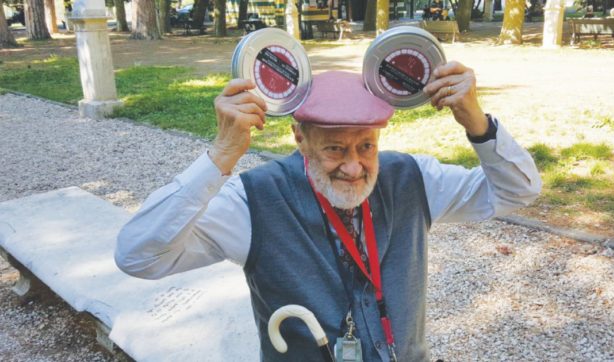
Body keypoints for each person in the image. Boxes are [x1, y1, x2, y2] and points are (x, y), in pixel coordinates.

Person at [115, 63, 542, 360]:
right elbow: (138, 256)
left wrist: (477, 124)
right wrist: (221, 156)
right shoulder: (253, 200)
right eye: (335, 148)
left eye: (366, 146)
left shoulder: (412, 177)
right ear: (300, 137)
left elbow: (518, 191)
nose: (354, 166)